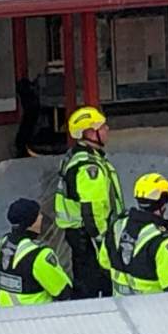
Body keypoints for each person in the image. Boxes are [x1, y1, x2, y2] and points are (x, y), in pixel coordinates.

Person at [54, 106, 124, 299]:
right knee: (93, 290)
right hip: (90, 237)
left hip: (83, 235)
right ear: (89, 132)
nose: (107, 129)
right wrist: (102, 242)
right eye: (102, 126)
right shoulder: (88, 166)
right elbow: (91, 211)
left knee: (88, 286)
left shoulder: (80, 157)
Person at [102, 173, 168, 294]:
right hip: (154, 311)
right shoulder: (164, 243)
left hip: (121, 308)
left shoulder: (117, 227)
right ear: (164, 202)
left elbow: (104, 263)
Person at [0, 199, 72, 307]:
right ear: (30, 223)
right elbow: (63, 291)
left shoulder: (1, 245)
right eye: (38, 215)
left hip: (5, 316)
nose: (41, 217)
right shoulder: (38, 255)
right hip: (35, 318)